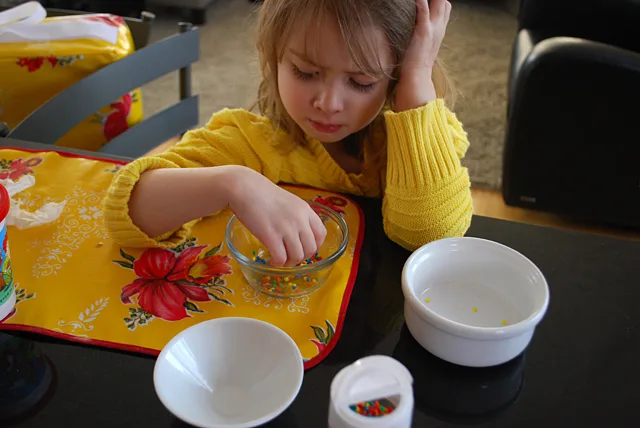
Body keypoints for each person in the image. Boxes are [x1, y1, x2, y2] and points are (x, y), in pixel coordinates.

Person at [103, 0, 473, 267]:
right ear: (273, 57)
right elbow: (129, 207)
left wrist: (418, 83)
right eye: (306, 73)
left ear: (394, 80)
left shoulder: (423, 133)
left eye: (361, 82)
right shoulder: (254, 141)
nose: (328, 103)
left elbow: (431, 235)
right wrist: (233, 182)